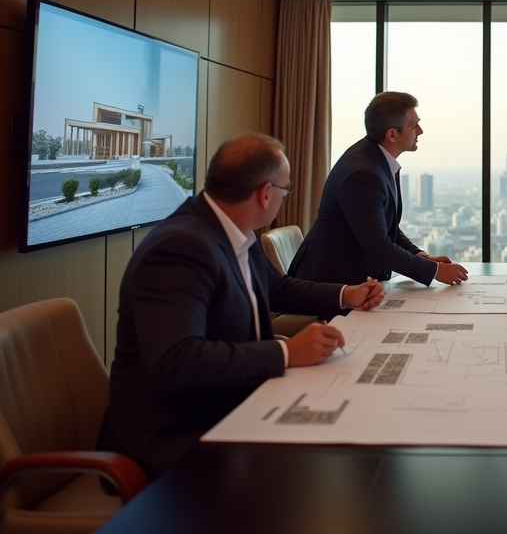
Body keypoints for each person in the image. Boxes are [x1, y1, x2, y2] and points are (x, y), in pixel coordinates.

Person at [99, 132, 384, 478]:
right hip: (172, 436)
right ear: (266, 193)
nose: (283, 198)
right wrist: (286, 354)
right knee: (321, 469)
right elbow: (177, 362)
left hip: (224, 404)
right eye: (285, 190)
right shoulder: (179, 248)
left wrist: (345, 293)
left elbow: (277, 288)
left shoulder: (233, 228)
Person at [290, 91, 468, 287]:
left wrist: (422, 257)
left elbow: (384, 226)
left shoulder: (374, 159)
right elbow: (380, 248)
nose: (421, 131)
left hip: (352, 280)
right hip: (329, 285)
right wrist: (435, 272)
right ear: (392, 134)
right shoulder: (363, 174)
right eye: (414, 126)